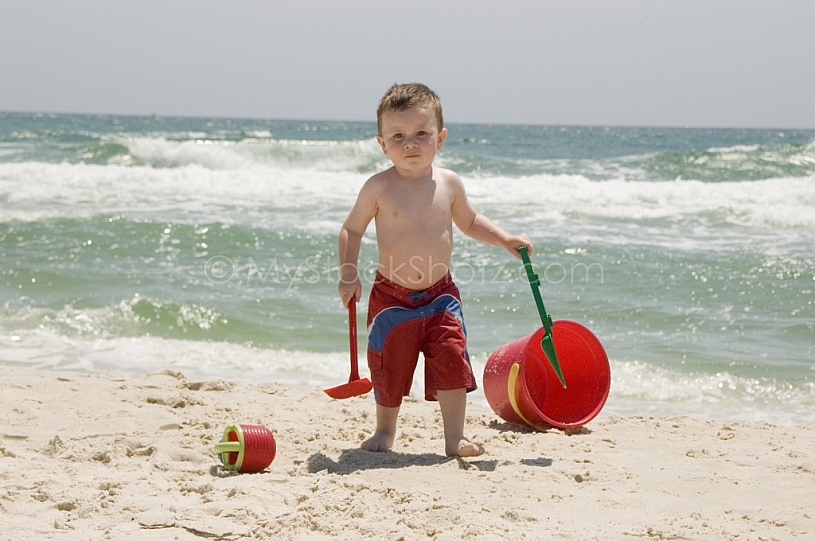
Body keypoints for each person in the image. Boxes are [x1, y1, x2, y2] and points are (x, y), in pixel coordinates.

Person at [338, 83, 533, 457]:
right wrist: (349, 273)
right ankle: (384, 430)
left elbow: (470, 220)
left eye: (421, 133)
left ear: (440, 138)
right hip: (391, 296)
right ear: (382, 144)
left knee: (451, 356)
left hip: (440, 294)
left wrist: (505, 239)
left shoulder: (449, 183)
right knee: (388, 364)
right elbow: (352, 229)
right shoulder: (379, 187)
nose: (410, 143)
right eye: (398, 136)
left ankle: (454, 436)